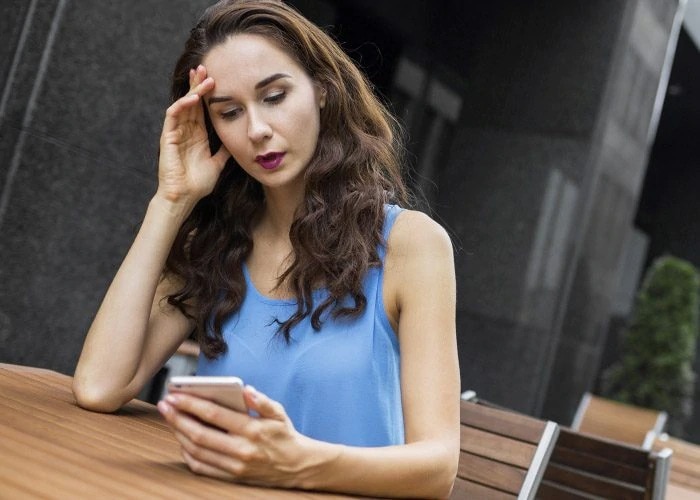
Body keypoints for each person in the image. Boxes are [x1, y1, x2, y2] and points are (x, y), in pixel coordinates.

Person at [73, 0, 460, 497]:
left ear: (322, 89)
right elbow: (100, 387)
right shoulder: (216, 242)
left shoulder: (412, 244)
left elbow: (437, 467)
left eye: (274, 96)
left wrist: (295, 463)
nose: (255, 130)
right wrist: (171, 201)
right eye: (230, 113)